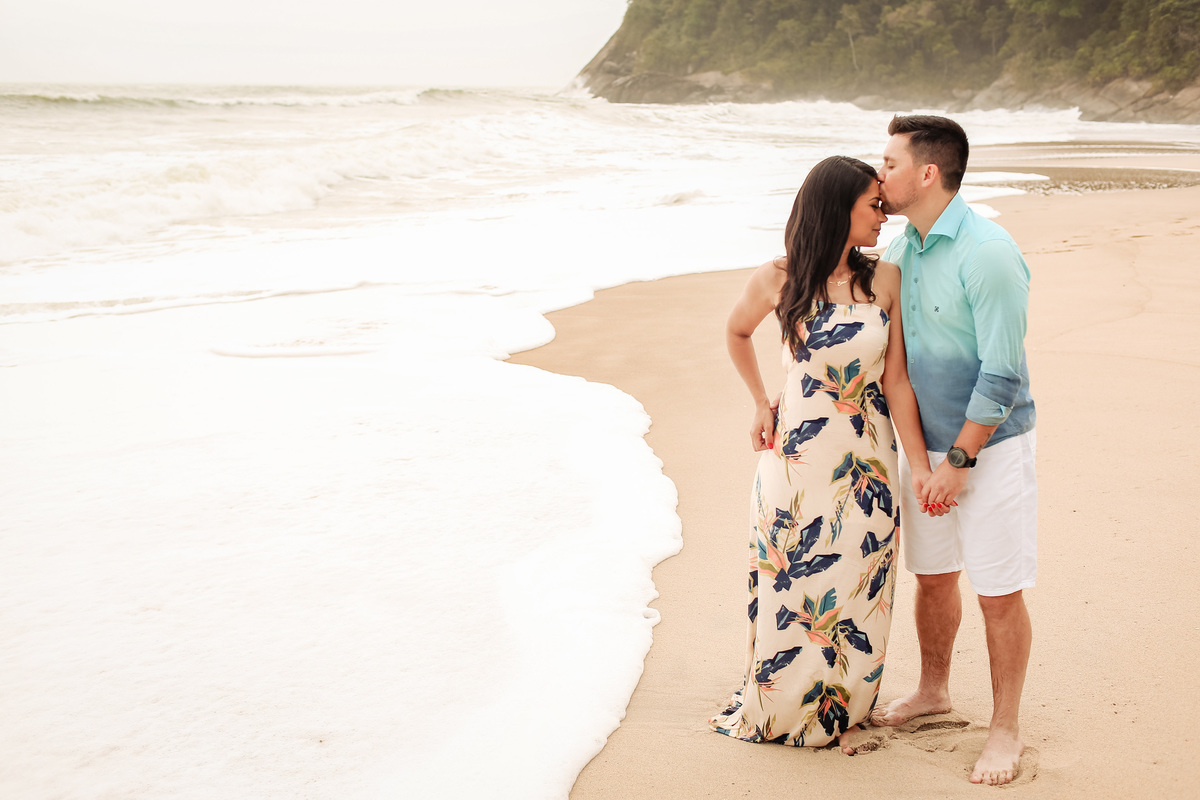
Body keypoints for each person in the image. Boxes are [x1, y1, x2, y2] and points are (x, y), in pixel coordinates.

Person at [709, 155, 937, 755]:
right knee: (791, 581)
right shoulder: (777, 278)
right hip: (794, 461)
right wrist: (761, 401)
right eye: (873, 204)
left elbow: (897, 383)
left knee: (862, 582)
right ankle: (784, 703)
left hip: (867, 458)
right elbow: (736, 331)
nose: (883, 215)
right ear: (839, 208)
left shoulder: (884, 279)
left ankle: (846, 712)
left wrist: (919, 467)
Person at [870, 115, 1037, 787]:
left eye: (888, 162)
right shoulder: (904, 249)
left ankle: (1005, 729)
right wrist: (920, 463)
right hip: (926, 451)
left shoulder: (988, 251)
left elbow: (1003, 376)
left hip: (989, 450)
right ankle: (933, 690)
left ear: (927, 173)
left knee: (998, 591)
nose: (879, 173)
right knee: (933, 579)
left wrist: (959, 462)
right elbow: (898, 372)